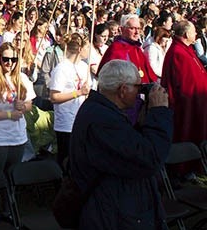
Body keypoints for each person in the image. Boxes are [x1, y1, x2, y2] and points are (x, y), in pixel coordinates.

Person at [69, 60, 172, 229]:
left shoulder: (100, 110)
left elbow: (129, 149)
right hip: (111, 212)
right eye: (138, 88)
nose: (140, 93)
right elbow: (149, 158)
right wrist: (159, 113)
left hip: (115, 206)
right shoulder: (103, 121)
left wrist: (143, 121)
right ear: (123, 90)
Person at [0, 42, 35, 175]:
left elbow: (29, 105)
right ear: (0, 59)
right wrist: (9, 115)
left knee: (13, 174)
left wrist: (23, 106)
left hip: (18, 136)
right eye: (6, 59)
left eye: (13, 59)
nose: (9, 63)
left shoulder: (23, 78)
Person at [98, 14, 158, 124]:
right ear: (122, 29)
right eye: (132, 28)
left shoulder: (137, 48)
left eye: (139, 29)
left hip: (139, 99)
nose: (137, 32)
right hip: (122, 102)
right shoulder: (116, 49)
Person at [161, 20, 207, 147]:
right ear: (186, 34)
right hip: (189, 106)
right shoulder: (178, 53)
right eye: (193, 32)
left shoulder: (186, 49)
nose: (196, 33)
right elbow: (186, 84)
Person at [49, 33, 90, 168]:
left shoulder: (84, 67)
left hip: (82, 119)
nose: (89, 50)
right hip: (66, 122)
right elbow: (54, 97)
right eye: (87, 46)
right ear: (80, 49)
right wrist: (78, 93)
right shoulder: (61, 69)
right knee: (66, 159)